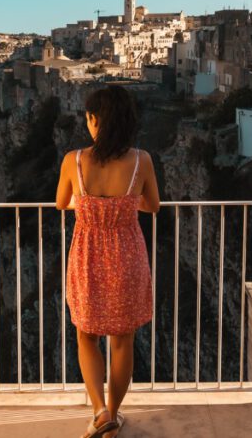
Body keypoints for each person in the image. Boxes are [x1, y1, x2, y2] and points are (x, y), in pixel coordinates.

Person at [55, 85, 161, 438]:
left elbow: (61, 202)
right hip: (127, 256)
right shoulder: (141, 161)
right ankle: (113, 416)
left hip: (88, 257)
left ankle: (98, 410)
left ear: (94, 120)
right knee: (122, 341)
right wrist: (125, 206)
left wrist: (89, 207)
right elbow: (153, 205)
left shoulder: (74, 161)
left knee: (87, 336)